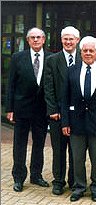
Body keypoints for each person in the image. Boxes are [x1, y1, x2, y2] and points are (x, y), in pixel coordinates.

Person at [61, 36, 96, 202]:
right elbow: (65, 99)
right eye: (85, 50)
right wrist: (65, 122)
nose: (88, 53)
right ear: (80, 52)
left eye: (91, 50)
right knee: (77, 158)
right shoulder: (71, 70)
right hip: (76, 124)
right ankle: (79, 187)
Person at [6, 27, 52, 192]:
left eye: (39, 37)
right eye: (32, 37)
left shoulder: (51, 58)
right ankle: (18, 178)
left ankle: (36, 175)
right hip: (22, 109)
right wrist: (9, 108)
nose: (35, 40)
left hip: (42, 109)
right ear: (27, 40)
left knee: (39, 143)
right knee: (20, 144)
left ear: (44, 39)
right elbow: (11, 85)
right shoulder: (18, 58)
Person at [44, 26, 80, 195]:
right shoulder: (52, 60)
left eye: (71, 39)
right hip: (57, 114)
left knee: (76, 150)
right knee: (59, 150)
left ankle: (75, 181)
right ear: (61, 40)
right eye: (65, 38)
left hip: (78, 115)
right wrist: (52, 109)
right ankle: (58, 181)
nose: (68, 42)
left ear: (77, 41)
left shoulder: (84, 58)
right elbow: (48, 87)